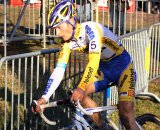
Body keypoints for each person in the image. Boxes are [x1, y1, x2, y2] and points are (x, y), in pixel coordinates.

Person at [32, 0, 139, 129]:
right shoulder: (66, 44)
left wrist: (81, 87)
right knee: (79, 98)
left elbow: (93, 61)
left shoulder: (91, 30)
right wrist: (44, 97)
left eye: (59, 27)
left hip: (123, 67)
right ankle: (104, 127)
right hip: (105, 69)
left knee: (126, 114)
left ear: (71, 20)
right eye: (55, 29)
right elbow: (59, 71)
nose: (57, 33)